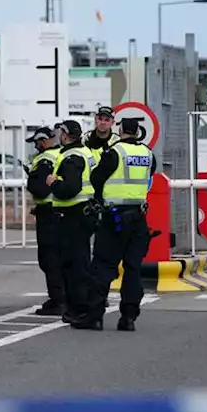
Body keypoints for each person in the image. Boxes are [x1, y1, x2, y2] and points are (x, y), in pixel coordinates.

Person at [74, 118, 157, 332]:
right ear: (137, 131)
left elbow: (96, 179)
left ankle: (95, 316)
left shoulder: (114, 152)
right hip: (138, 217)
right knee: (133, 268)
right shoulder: (148, 154)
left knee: (103, 266)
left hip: (114, 216)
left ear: (120, 131)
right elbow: (149, 177)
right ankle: (128, 318)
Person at [47, 120, 101, 326]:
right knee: (79, 262)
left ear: (66, 135)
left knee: (74, 265)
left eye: (60, 132)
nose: (58, 135)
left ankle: (82, 308)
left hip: (73, 215)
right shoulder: (84, 152)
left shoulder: (72, 156)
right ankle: (84, 307)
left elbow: (70, 188)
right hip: (82, 214)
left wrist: (54, 183)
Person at [24, 125, 65, 316]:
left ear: (42, 141)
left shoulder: (44, 160)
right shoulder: (61, 154)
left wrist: (31, 180)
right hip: (60, 211)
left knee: (49, 258)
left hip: (48, 214)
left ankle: (58, 299)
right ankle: (62, 297)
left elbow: (39, 188)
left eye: (36, 143)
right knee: (61, 256)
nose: (36, 147)